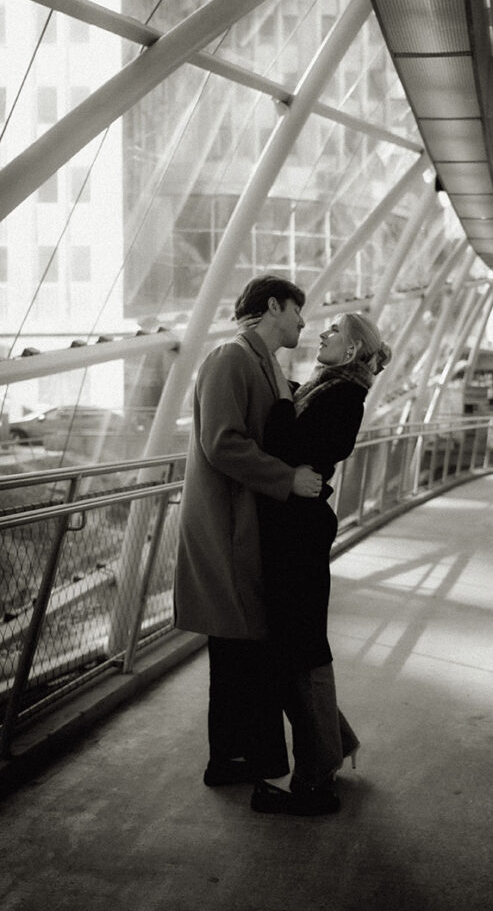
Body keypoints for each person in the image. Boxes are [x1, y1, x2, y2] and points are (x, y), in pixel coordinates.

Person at [173, 275, 323, 791]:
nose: (304, 322)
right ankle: (229, 761)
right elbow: (222, 443)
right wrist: (289, 480)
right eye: (297, 311)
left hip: (244, 527)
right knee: (235, 648)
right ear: (272, 306)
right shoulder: (229, 360)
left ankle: (245, 758)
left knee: (245, 649)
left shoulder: (263, 366)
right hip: (226, 529)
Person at [252, 312, 392, 816]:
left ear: (352, 351)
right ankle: (334, 748)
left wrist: (278, 404)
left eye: (335, 331)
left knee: (301, 646)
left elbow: (291, 444)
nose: (323, 334)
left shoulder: (342, 396)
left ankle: (315, 782)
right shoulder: (325, 388)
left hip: (300, 533)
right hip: (298, 529)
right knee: (298, 643)